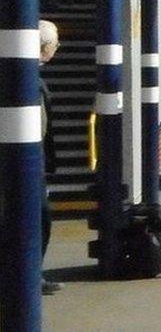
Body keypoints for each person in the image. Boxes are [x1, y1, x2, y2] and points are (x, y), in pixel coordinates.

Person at [39, 20, 63, 295]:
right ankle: (31, 276)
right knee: (40, 221)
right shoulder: (32, 84)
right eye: (55, 45)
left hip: (37, 165)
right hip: (32, 166)